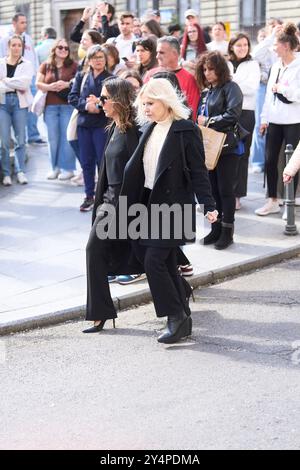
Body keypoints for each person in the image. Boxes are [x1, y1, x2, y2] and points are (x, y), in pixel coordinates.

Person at [118, 78, 217, 343]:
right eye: (144, 104)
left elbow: (198, 171)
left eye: (150, 103)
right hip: (148, 203)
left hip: (173, 205)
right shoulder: (150, 129)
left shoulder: (185, 130)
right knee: (153, 256)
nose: (146, 109)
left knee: (154, 261)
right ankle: (181, 299)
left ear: (165, 101)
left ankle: (176, 317)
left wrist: (208, 204)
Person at [83, 77, 142, 331]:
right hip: (109, 203)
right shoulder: (113, 127)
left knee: (144, 256)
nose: (100, 102)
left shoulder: (134, 131)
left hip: (125, 204)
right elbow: (106, 172)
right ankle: (101, 312)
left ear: (118, 100)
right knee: (140, 254)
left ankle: (100, 313)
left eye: (105, 98)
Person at [196, 51, 243, 250]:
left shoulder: (231, 87)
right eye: (204, 69)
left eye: (211, 69)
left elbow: (233, 114)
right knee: (212, 191)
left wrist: (209, 121)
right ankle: (215, 228)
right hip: (210, 146)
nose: (207, 73)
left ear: (220, 69)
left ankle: (227, 231)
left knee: (225, 190)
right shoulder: (207, 92)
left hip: (227, 147)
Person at [255, 23, 300, 217]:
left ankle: (289, 201)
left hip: (294, 120)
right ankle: (272, 200)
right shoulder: (275, 67)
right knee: (270, 160)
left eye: (276, 44)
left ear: (286, 46)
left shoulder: (298, 66)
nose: (274, 47)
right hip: (274, 120)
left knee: (292, 163)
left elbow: (297, 94)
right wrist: (264, 119)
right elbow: (267, 97)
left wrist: (281, 89)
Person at [68, 45, 111, 212]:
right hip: (84, 125)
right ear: (89, 60)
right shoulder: (81, 76)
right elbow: (72, 97)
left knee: (102, 162)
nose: (98, 60)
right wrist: (86, 105)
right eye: (94, 57)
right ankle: (89, 195)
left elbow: (114, 100)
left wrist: (99, 105)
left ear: (106, 59)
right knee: (86, 162)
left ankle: (103, 197)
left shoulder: (110, 78)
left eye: (101, 57)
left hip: (102, 125)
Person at [0, 13, 45, 145]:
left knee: (31, 107)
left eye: (26, 22)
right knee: (14, 108)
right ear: (14, 23)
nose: (25, 25)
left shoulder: (28, 38)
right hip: (12, 79)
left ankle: (33, 135)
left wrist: (36, 75)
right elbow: (4, 58)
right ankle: (15, 138)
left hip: (29, 77)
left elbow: (34, 57)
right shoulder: (5, 39)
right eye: (22, 22)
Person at [36, 38, 77, 181]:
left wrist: (66, 84)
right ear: (54, 49)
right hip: (50, 107)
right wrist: (50, 87)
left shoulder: (73, 65)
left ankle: (68, 169)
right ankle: (55, 168)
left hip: (67, 106)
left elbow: (77, 81)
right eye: (60, 47)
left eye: (66, 48)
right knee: (53, 139)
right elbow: (38, 83)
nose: (63, 50)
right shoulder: (46, 65)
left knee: (67, 138)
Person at [228, 33, 260, 210]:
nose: (242, 48)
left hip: (246, 113)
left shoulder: (252, 64)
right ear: (231, 46)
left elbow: (251, 88)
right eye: (238, 45)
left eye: (245, 45)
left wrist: (231, 82)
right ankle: (224, 192)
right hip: (226, 113)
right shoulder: (225, 63)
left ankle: (237, 195)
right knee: (225, 154)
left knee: (242, 154)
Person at [0, 34, 34, 186]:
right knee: (5, 141)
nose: (16, 48)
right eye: (13, 45)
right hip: (3, 104)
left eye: (19, 45)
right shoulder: (0, 63)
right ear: (8, 47)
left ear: (22, 47)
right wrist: (13, 84)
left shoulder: (27, 64)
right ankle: (6, 173)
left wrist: (5, 81)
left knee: (21, 140)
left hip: (20, 104)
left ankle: (21, 172)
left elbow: (24, 84)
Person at [143, 36, 200, 120]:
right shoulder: (150, 74)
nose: (157, 56)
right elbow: (142, 105)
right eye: (157, 52)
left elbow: (192, 111)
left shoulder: (189, 79)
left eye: (161, 52)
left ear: (175, 53)